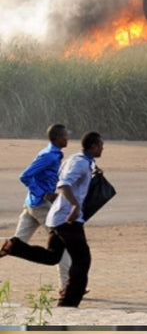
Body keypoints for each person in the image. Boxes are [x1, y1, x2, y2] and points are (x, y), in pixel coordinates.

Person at [0, 131, 104, 308]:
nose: (102, 149)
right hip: (66, 217)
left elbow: (66, 175)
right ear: (93, 146)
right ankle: (68, 302)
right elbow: (63, 184)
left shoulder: (79, 159)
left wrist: (94, 170)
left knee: (52, 256)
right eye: (101, 146)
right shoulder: (74, 160)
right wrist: (74, 206)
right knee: (82, 260)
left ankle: (13, 246)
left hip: (56, 216)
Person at [4, 124, 73, 295]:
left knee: (16, 242)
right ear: (57, 137)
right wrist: (44, 194)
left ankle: (66, 285)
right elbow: (25, 175)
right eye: (65, 135)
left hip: (32, 204)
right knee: (62, 242)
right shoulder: (49, 156)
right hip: (40, 205)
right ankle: (66, 286)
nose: (67, 138)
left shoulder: (52, 154)